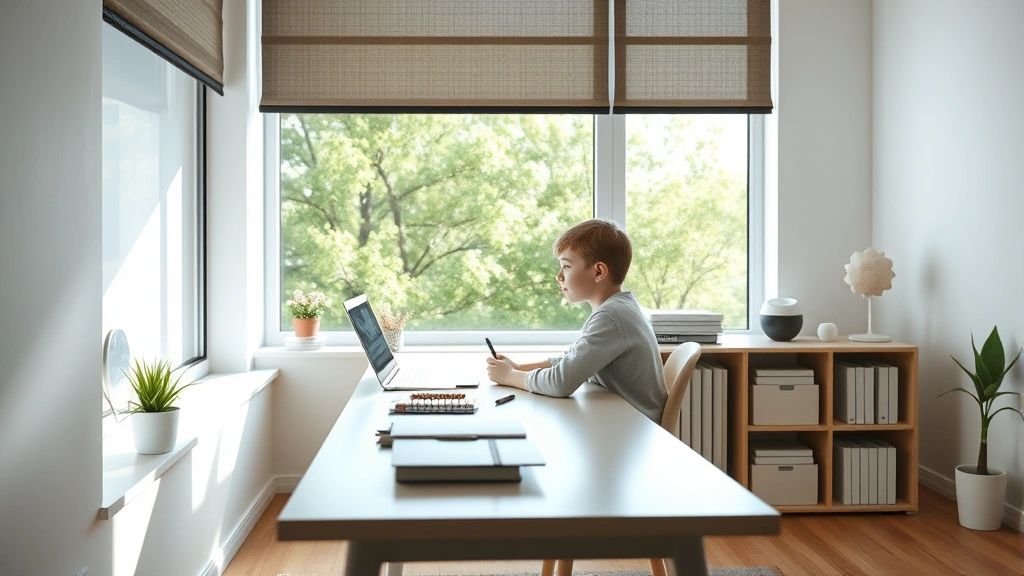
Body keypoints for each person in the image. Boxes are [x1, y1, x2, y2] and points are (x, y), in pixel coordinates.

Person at [486, 218, 667, 423]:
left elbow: (560, 383)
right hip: (624, 421)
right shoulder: (617, 309)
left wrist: (509, 377)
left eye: (566, 266)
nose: (558, 276)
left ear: (598, 271)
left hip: (632, 426)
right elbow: (574, 359)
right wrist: (519, 368)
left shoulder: (611, 317)